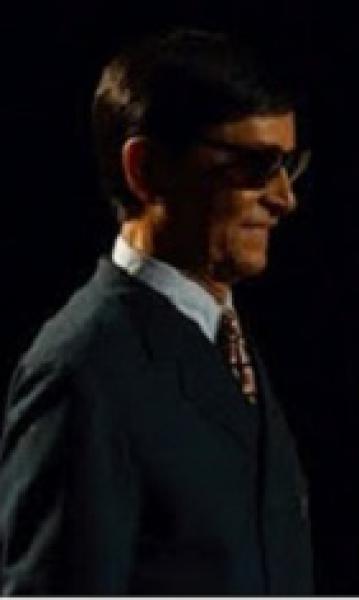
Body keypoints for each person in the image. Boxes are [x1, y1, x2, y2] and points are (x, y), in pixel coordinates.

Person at [0, 28, 313, 594]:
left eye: (287, 165)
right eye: (254, 166)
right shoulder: (82, 371)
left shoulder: (226, 343)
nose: (283, 199)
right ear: (145, 170)